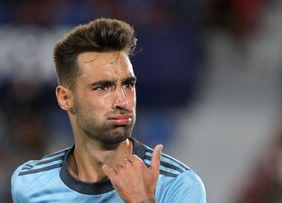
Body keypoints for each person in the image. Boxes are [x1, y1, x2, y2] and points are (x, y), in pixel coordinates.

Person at [11, 18, 206, 203]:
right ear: (65, 98)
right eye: (103, 87)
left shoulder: (178, 186)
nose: (122, 101)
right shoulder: (30, 183)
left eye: (128, 84)